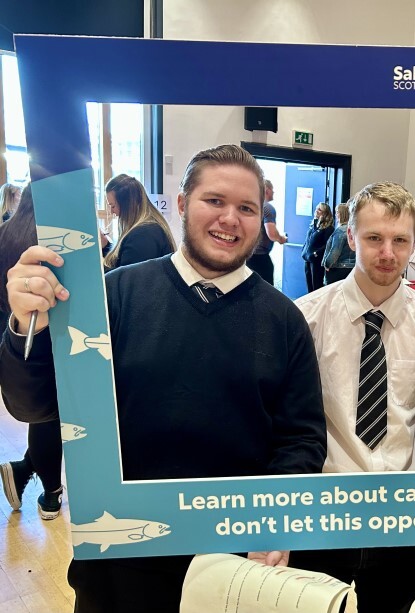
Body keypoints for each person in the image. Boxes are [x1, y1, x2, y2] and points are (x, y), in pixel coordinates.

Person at [0, 144, 327, 612]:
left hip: (232, 568)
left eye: (247, 208)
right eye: (214, 201)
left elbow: (302, 438)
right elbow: (32, 407)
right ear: (180, 204)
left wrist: (271, 521)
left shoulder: (284, 320)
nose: (230, 219)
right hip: (119, 564)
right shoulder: (112, 296)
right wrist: (21, 327)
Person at [292, 181, 415, 613]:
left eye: (400, 240)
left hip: (402, 508)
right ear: (350, 237)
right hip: (327, 505)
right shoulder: (306, 317)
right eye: (374, 238)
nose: (388, 253)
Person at [0, 185, 64, 520]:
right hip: (53, 336)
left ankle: (27, 471)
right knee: (53, 416)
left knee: (46, 415)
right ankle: (50, 492)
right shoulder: (56, 242)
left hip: (14, 337)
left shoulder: (5, 233)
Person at [102, 174, 176, 270]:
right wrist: (106, 245)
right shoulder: (147, 230)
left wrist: (96, 267)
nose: (112, 212)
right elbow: (126, 259)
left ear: (127, 204)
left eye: (113, 206)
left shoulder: (144, 235)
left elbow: (125, 280)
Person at [246, 179, 287, 285]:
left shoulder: (250, 205)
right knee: (265, 291)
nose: (274, 192)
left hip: (247, 256)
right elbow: (272, 234)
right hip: (260, 258)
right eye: (272, 189)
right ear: (267, 190)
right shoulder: (268, 208)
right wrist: (281, 239)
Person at [301, 202, 334, 292]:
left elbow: (327, 245)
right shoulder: (314, 226)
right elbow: (307, 241)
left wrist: (315, 254)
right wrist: (303, 250)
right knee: (309, 287)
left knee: (316, 287)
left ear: (325, 213)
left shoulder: (328, 228)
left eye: (319, 209)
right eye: (316, 209)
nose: (316, 211)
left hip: (316, 261)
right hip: (307, 259)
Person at [322, 203, 356, 285]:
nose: (336, 215)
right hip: (352, 268)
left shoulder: (340, 231)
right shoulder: (354, 229)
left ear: (342, 214)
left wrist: (327, 264)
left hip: (338, 269)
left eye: (337, 212)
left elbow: (335, 252)